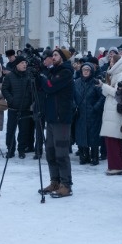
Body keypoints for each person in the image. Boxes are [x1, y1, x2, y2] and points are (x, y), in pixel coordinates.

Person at [36, 48, 76, 198]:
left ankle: (66, 184)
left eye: (55, 55)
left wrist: (42, 77)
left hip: (62, 118)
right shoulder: (52, 72)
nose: (52, 57)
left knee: (61, 153)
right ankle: (55, 181)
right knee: (50, 152)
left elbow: (50, 87)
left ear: (63, 58)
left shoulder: (66, 72)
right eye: (52, 55)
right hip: (52, 117)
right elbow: (43, 87)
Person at [99, 50, 122, 175]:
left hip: (115, 110)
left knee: (113, 139)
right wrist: (103, 86)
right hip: (111, 108)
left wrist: (104, 86)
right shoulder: (114, 74)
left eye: (112, 61)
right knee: (111, 139)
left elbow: (118, 93)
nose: (110, 63)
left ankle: (116, 166)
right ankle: (116, 165)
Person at [1, 56, 33, 158]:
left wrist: (30, 101)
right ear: (17, 65)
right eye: (22, 63)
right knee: (11, 131)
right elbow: (4, 89)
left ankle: (21, 150)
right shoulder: (10, 76)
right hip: (13, 108)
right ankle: (10, 150)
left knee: (23, 131)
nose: (24, 64)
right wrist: (11, 100)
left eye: (25, 63)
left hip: (25, 108)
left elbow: (32, 90)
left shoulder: (29, 76)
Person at [73, 63, 104, 165]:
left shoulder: (96, 83)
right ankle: (83, 156)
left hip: (93, 114)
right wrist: (74, 106)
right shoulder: (76, 82)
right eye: (84, 69)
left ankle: (94, 157)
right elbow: (72, 96)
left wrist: (96, 107)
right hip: (80, 113)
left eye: (88, 70)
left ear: (91, 71)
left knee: (93, 136)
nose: (86, 71)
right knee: (81, 135)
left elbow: (102, 97)